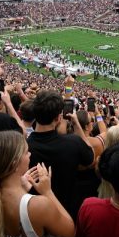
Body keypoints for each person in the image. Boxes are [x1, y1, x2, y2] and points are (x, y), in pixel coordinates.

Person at [0, 130, 75, 237]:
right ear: (15, 163)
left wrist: (21, 190)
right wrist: (47, 192)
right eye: (26, 152)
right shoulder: (38, 205)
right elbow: (70, 233)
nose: (30, 154)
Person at [27, 89, 94, 220]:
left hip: (34, 213)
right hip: (66, 212)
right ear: (58, 118)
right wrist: (76, 125)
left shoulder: (23, 146)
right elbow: (90, 157)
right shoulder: (73, 142)